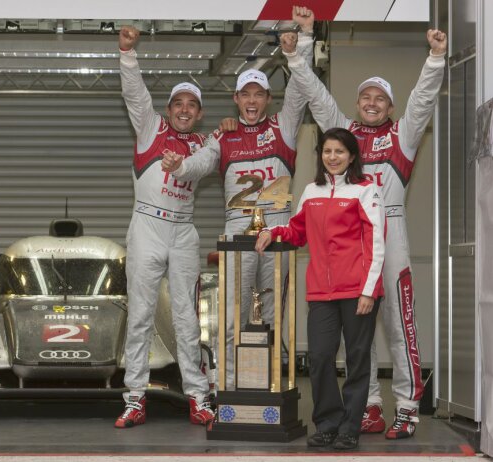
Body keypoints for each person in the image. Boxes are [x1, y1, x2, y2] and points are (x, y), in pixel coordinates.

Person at [282, 22, 447, 438]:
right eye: (366, 97)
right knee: (360, 330)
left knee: (398, 321)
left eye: (381, 99)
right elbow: (317, 99)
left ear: (390, 108)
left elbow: (424, 99)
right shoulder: (344, 134)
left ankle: (407, 406)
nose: (372, 104)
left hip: (390, 228)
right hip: (348, 239)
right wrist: (297, 54)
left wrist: (435, 59)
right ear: (356, 104)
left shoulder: (403, 135)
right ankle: (370, 405)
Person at [161, 6, 316, 390]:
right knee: (234, 316)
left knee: (274, 316)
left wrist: (305, 41)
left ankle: (271, 389)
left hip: (278, 228)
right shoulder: (223, 136)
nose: (252, 100)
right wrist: (179, 166)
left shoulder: (284, 125)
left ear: (267, 98)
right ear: (235, 98)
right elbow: (198, 165)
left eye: (259, 94)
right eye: (245, 93)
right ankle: (230, 388)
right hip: (237, 231)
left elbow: (300, 86)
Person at [256, 127, 385, 450]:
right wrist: (274, 232)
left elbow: (376, 242)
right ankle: (328, 422)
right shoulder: (312, 191)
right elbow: (298, 230)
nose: (333, 157)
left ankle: (349, 428)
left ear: (352, 156)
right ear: (321, 155)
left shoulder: (366, 191)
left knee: (356, 360)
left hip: (358, 290)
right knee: (320, 357)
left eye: (340, 151)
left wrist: (369, 290)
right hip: (321, 292)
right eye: (327, 151)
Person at [116, 25, 214, 428]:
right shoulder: (150, 128)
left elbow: (203, 165)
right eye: (178, 103)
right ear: (168, 108)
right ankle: (135, 399)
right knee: (140, 315)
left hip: (183, 231)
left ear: (200, 111)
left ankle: (197, 396)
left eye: (192, 104)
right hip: (147, 227)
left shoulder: (207, 143)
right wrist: (127, 54)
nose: (185, 110)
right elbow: (134, 92)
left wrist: (182, 164)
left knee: (187, 318)